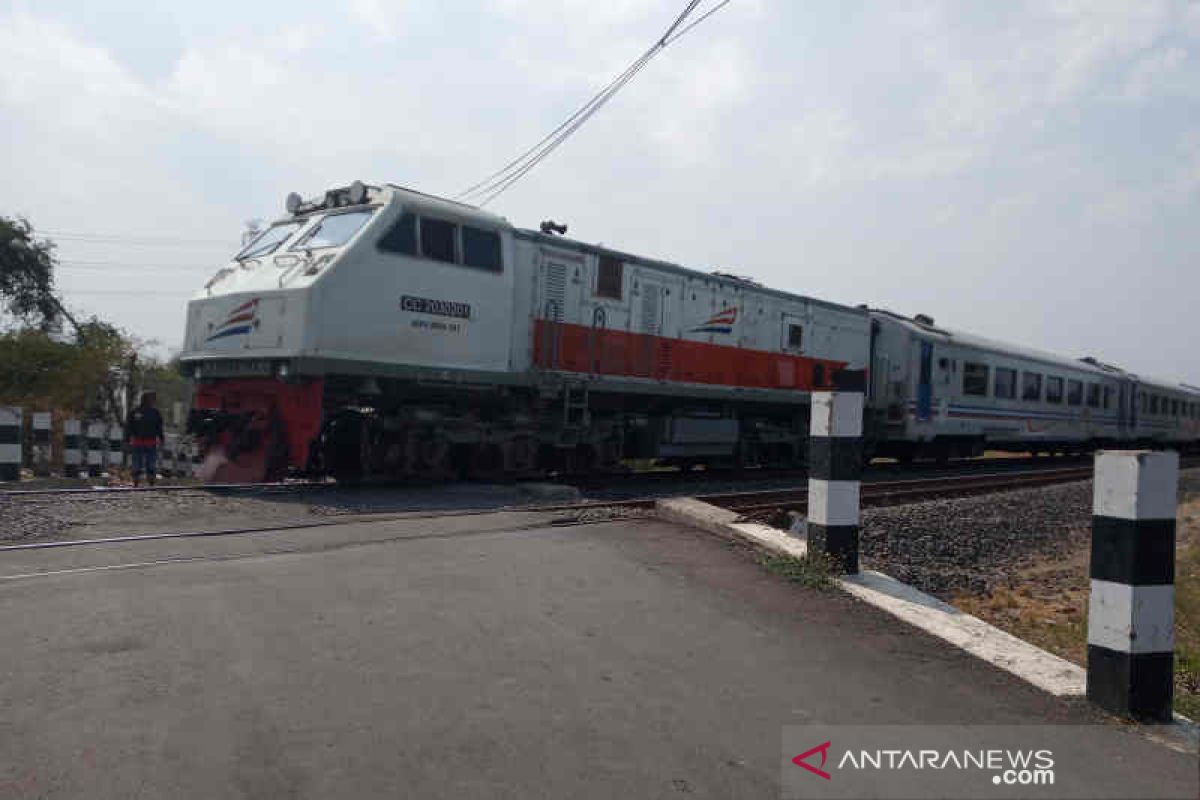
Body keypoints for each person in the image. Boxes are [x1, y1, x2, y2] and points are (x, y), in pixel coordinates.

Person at [125, 391, 164, 486]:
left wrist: (127, 439)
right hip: (149, 441)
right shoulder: (155, 412)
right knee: (150, 461)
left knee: (138, 461)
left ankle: (137, 480)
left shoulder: (134, 412)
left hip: (139, 441)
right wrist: (161, 438)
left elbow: (129, 427)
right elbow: (159, 427)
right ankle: (148, 480)